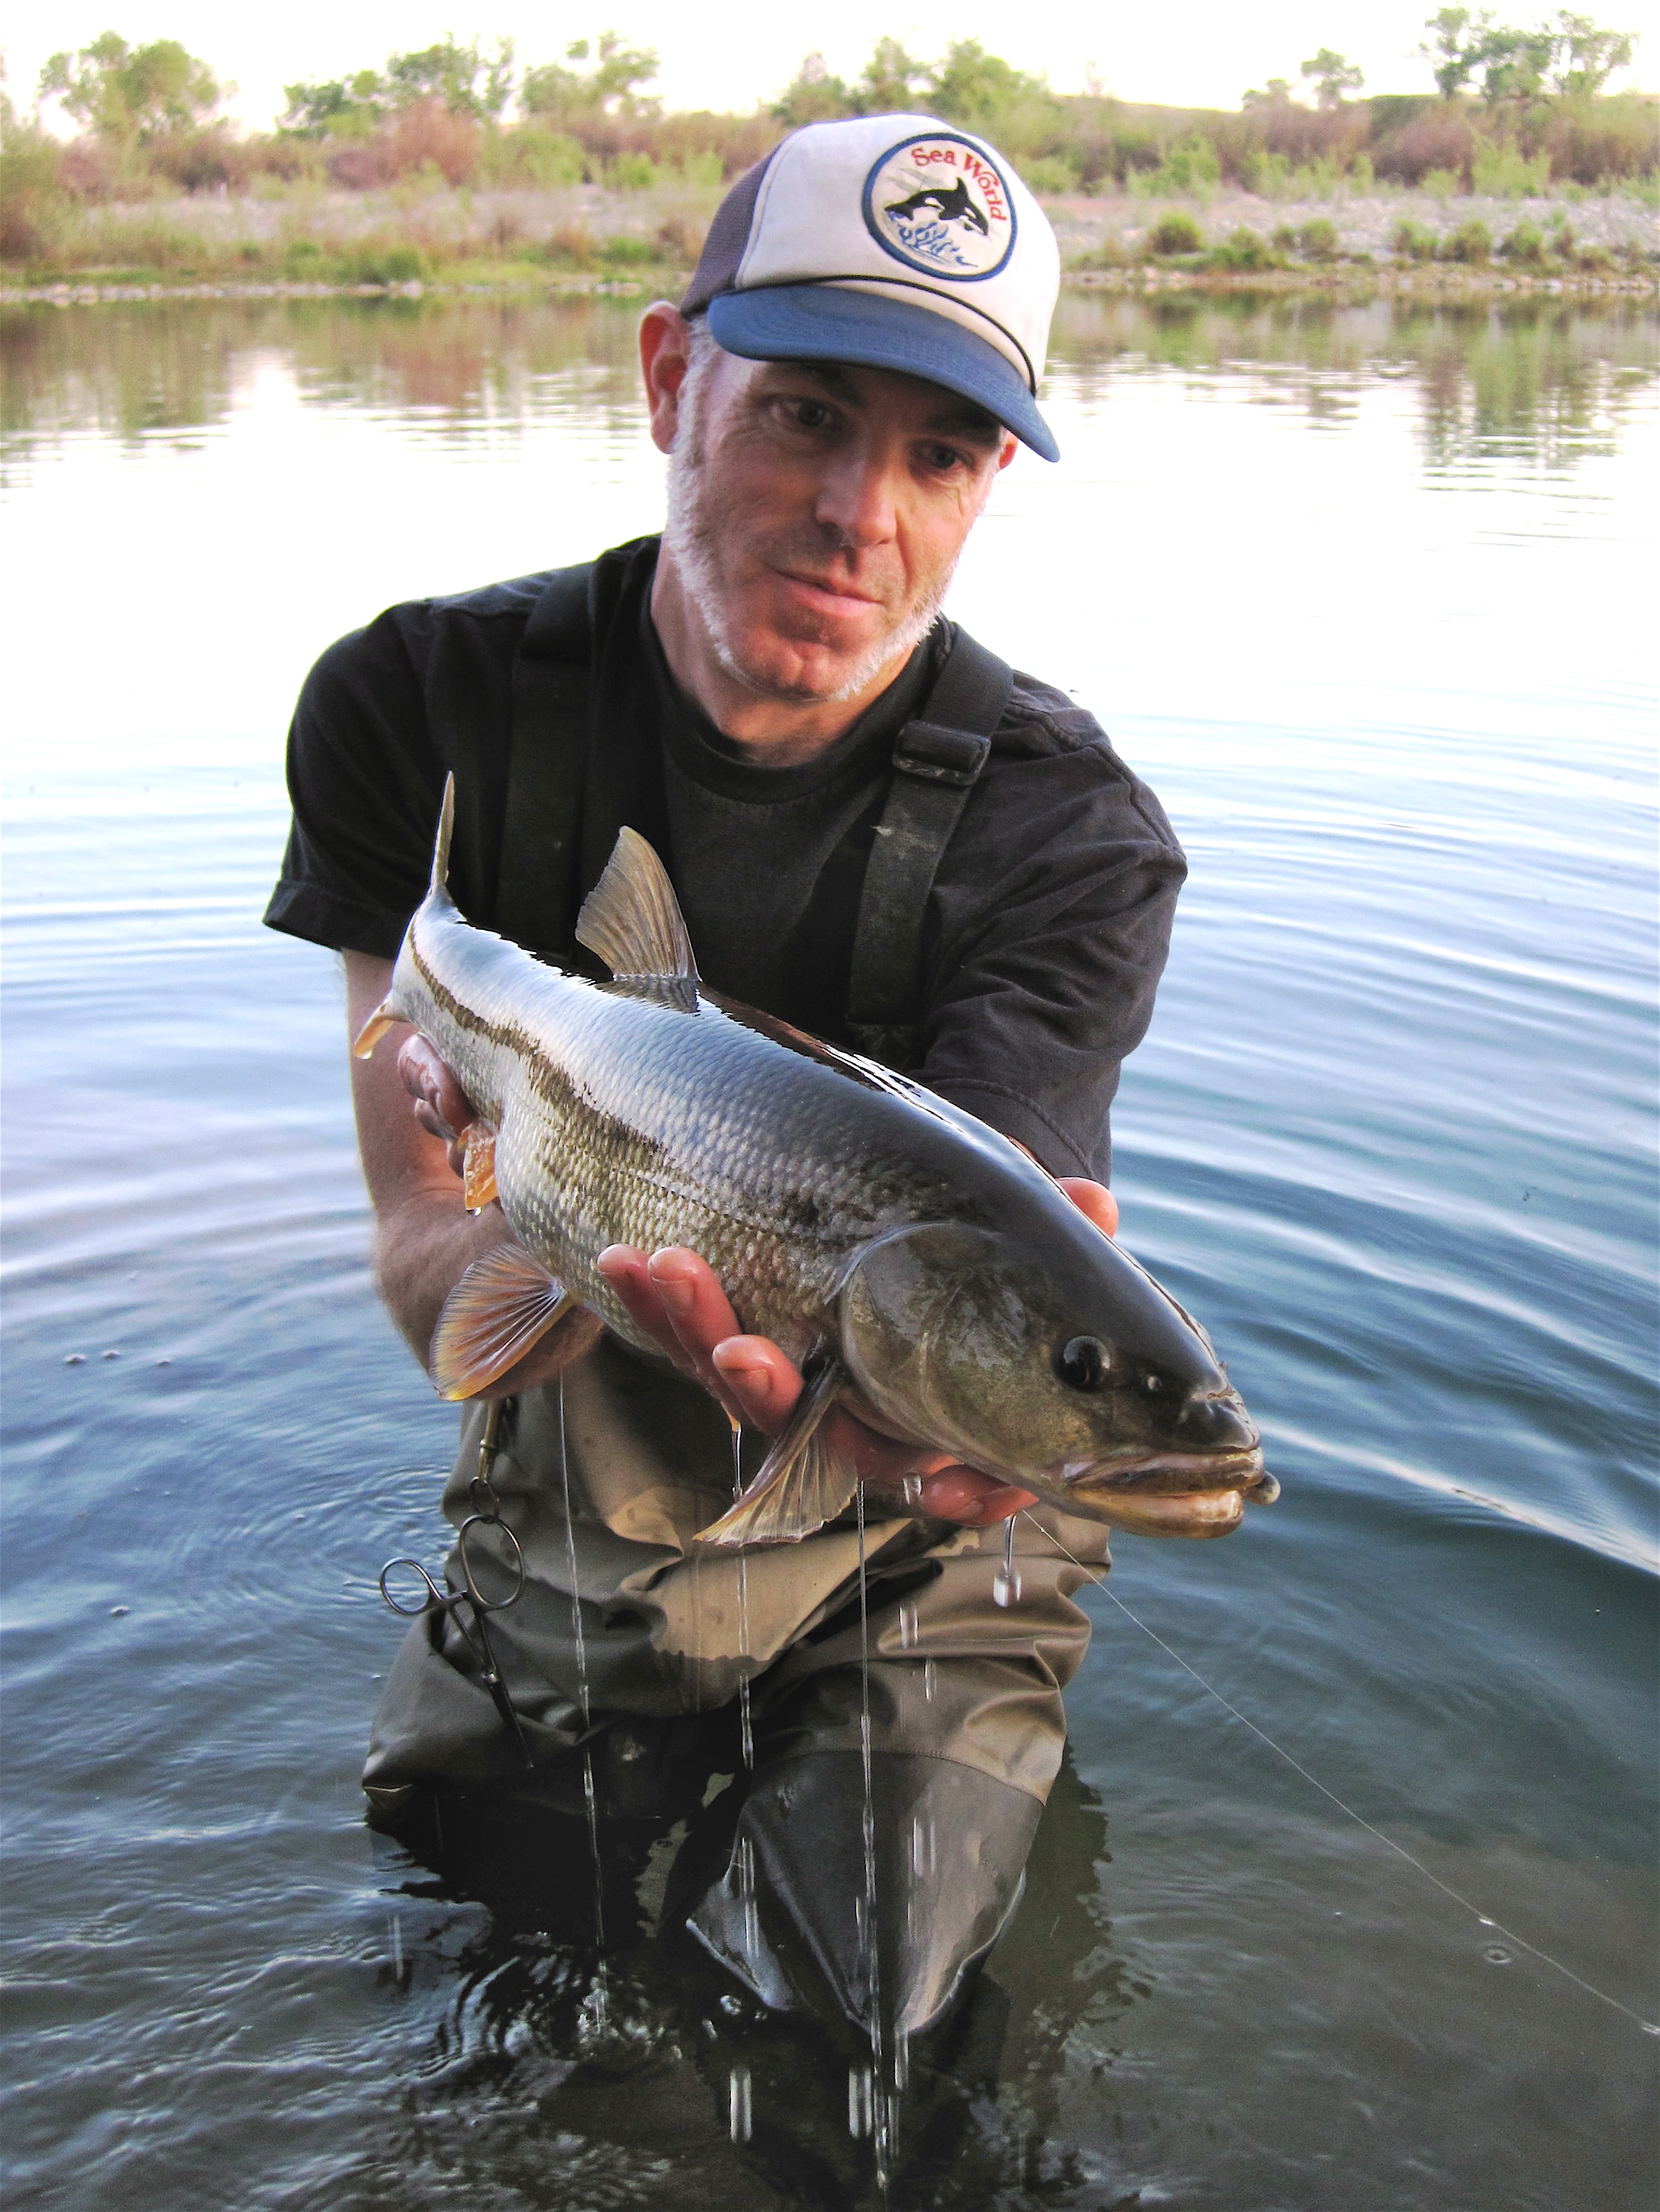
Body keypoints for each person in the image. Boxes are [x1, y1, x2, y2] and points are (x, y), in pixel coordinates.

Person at [264, 113, 1205, 2054]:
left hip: (937, 1517)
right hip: (570, 1466)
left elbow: (992, 1268)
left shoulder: (1076, 841)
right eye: (805, 415)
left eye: (943, 452)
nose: (863, 511)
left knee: (880, 2025)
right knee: (480, 1969)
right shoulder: (413, 709)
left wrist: (925, 1421)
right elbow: (423, 1253)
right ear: (668, 381)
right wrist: (524, 1252)